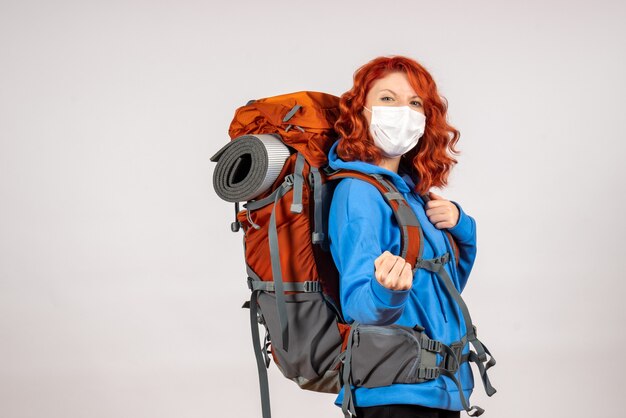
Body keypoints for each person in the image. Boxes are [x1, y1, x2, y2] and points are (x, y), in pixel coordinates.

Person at [327, 55, 477, 418]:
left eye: (415, 103)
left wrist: (462, 227)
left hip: (438, 388)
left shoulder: (411, 193)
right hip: (395, 393)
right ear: (360, 112)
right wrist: (386, 291)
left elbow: (450, 285)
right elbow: (359, 306)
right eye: (388, 99)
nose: (403, 112)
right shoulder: (358, 193)